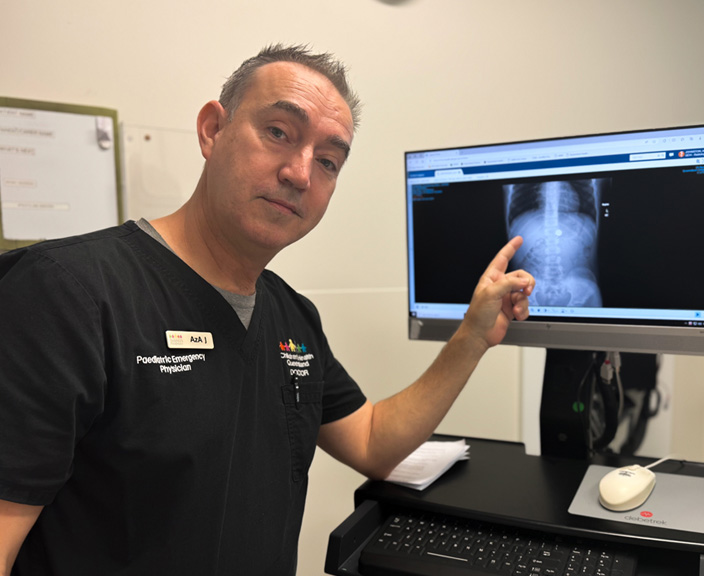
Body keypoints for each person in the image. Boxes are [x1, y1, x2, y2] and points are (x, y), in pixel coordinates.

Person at [0, 44, 535, 575]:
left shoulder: (290, 317)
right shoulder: (67, 292)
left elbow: (373, 442)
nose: (301, 174)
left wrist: (471, 338)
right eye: (279, 132)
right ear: (213, 130)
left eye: (328, 161)